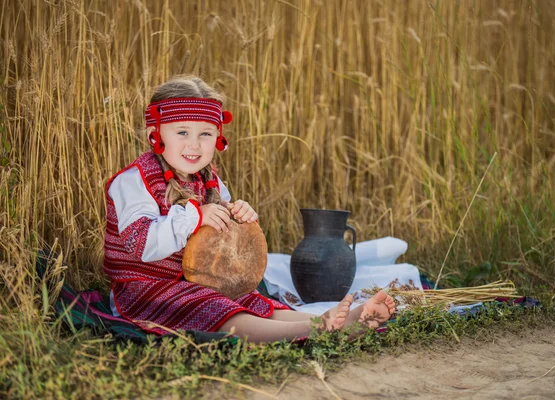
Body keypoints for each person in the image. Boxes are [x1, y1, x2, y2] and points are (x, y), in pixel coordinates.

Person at [103, 75, 396, 343]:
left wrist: (238, 217)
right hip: (147, 288)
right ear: (156, 132)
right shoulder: (134, 181)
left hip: (197, 283)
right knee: (218, 309)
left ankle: (331, 320)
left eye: (205, 134)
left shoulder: (209, 181)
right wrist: (196, 217)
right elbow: (140, 245)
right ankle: (319, 330)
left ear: (217, 136)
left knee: (250, 301)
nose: (194, 145)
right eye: (182, 132)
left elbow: (218, 236)